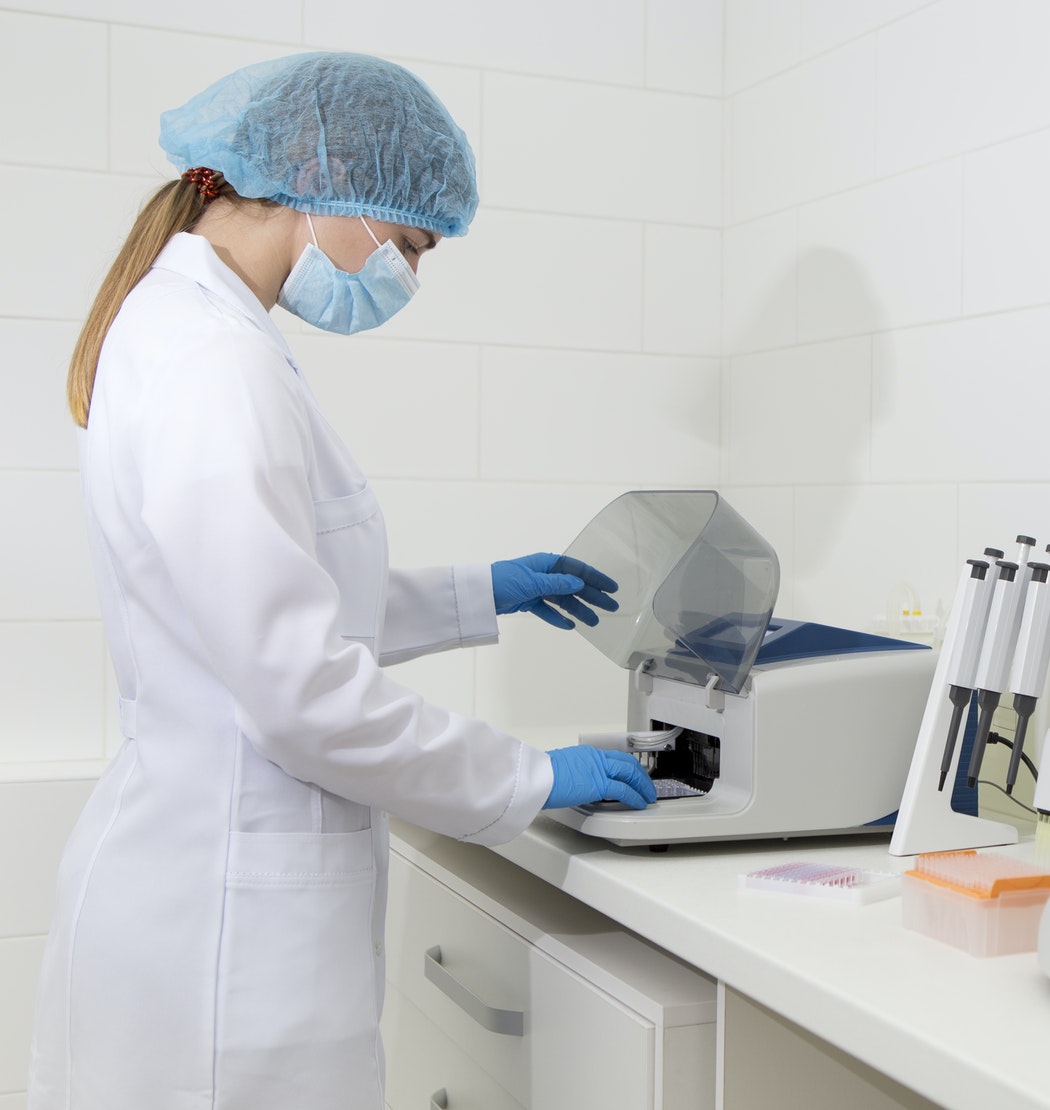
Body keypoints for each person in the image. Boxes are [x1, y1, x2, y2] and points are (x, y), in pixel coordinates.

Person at [31, 53, 658, 1110]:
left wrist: (478, 591)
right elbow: (299, 693)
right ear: (323, 186)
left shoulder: (191, 331)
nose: (413, 271)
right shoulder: (212, 363)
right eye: (412, 243)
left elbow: (257, 605)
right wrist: (525, 777)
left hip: (194, 880)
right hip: (226, 932)